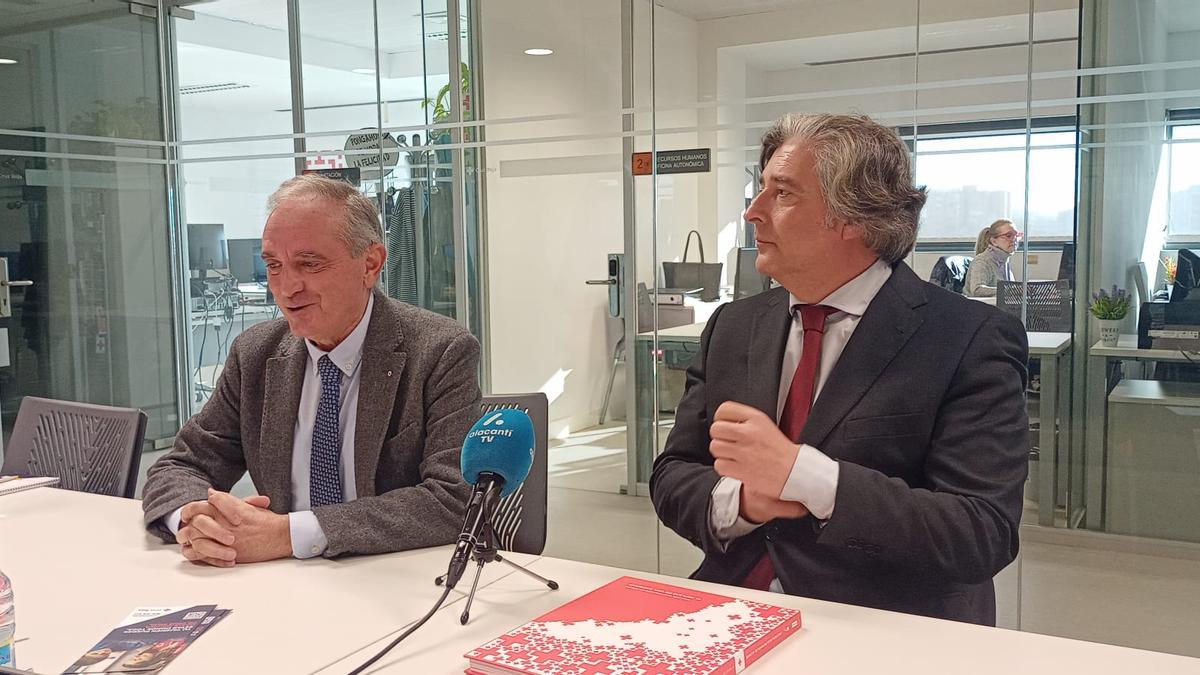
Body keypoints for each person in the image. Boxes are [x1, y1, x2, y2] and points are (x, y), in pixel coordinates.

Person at [650, 113, 1029, 626]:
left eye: (782, 194)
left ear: (855, 217)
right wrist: (742, 500)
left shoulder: (967, 338)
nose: (752, 213)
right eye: (760, 190)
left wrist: (806, 476)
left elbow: (981, 531)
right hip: (730, 612)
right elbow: (673, 475)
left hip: (882, 627)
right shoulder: (733, 327)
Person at [142, 174, 479, 566]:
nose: (286, 288)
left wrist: (290, 534)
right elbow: (182, 463)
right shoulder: (255, 354)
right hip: (283, 582)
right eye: (274, 266)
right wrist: (193, 516)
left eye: (309, 264)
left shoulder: (439, 351)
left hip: (393, 581)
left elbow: (453, 500)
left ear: (370, 264)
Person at [964, 218, 1020, 297]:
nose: (1014, 240)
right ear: (994, 241)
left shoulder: (1004, 260)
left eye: (1016, 235)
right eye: (1008, 236)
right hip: (979, 308)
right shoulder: (983, 261)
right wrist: (1010, 291)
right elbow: (977, 290)